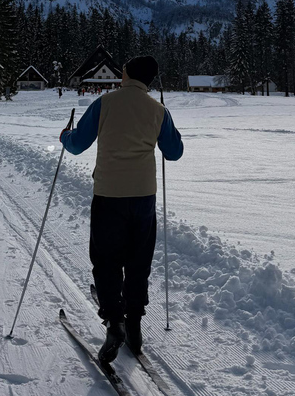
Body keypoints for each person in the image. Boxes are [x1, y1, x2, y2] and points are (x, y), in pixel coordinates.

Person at [60, 55, 183, 364]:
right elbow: (175, 152)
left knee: (107, 260)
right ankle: (135, 323)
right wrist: (168, 127)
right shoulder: (158, 110)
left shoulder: (105, 103)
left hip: (109, 194)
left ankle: (114, 322)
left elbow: (76, 145)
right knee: (138, 261)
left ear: (126, 73)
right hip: (143, 197)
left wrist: (65, 135)